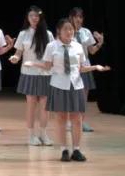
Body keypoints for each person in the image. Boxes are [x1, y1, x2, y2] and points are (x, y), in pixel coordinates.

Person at [28, 16, 110, 162]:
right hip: (59, 85)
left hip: (76, 85)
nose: (69, 32)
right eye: (66, 29)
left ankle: (76, 150)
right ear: (58, 31)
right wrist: (33, 63)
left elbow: (81, 68)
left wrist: (95, 67)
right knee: (61, 118)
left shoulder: (77, 46)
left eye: (71, 29)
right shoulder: (52, 46)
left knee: (77, 118)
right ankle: (64, 150)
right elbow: (47, 66)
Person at [8, 5, 54, 145]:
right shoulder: (23, 34)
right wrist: (15, 58)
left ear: (41, 17)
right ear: (27, 18)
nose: (34, 18)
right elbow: (18, 53)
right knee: (31, 105)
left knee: (45, 106)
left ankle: (43, 134)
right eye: (31, 15)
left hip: (46, 73)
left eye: (36, 15)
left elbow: (53, 54)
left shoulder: (48, 34)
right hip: (29, 73)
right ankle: (31, 135)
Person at [70, 7, 105, 132]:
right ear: (71, 18)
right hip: (72, 67)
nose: (78, 19)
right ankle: (71, 121)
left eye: (80, 17)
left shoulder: (86, 32)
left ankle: (81, 121)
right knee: (71, 96)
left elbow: (92, 51)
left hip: (85, 66)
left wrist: (100, 43)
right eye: (76, 17)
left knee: (83, 96)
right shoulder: (67, 31)